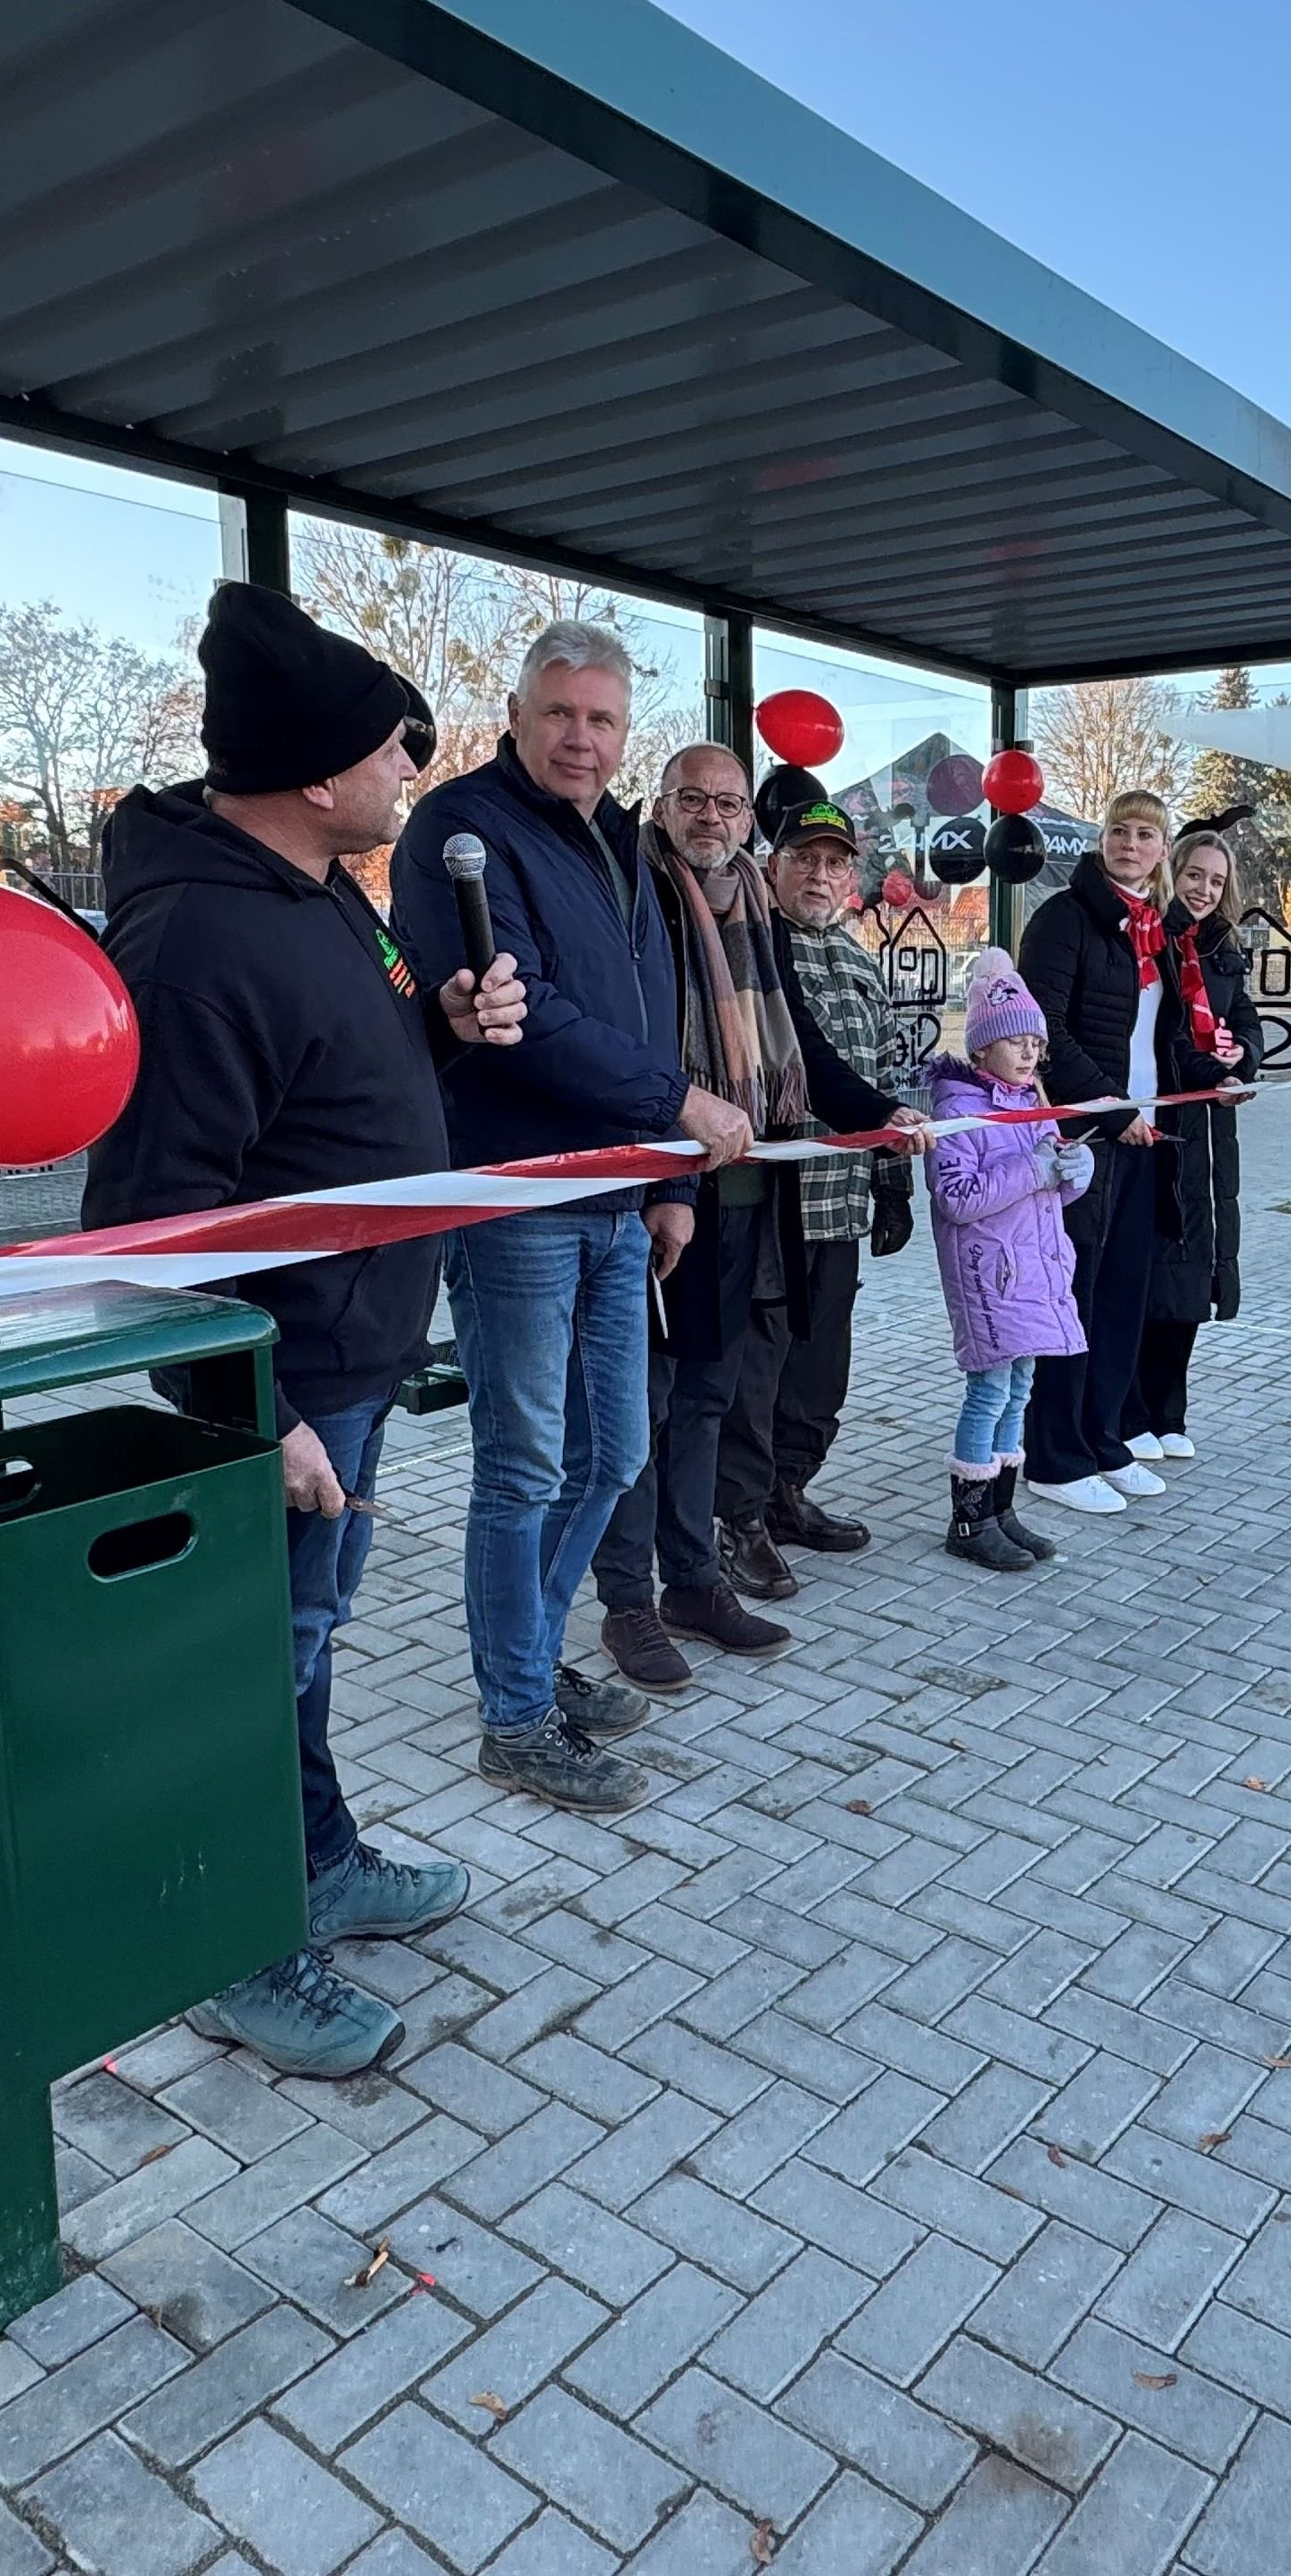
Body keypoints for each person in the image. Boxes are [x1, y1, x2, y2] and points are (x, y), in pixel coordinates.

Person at [84, 584, 527, 2075]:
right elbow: (154, 1221)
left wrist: (441, 1024)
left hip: (350, 1360)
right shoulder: (197, 938)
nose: (412, 768)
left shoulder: (324, 892)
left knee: (304, 1648)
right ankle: (236, 1944)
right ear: (317, 772)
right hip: (279, 1390)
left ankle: (319, 1861)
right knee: (248, 1665)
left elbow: (347, 1065)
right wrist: (248, 1409)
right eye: (392, 748)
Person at [390, 620, 753, 1816]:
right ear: (516, 710)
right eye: (561, 715)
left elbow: (652, 1020)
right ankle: (514, 1714)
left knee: (616, 1452)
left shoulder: (617, 840)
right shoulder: (460, 830)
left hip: (616, 1201)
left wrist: (670, 1179)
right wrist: (680, 1109)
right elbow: (520, 1014)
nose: (583, 739)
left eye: (603, 719)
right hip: (518, 1206)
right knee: (524, 1464)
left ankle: (536, 1665)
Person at [591, 750, 914, 1677]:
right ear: (662, 806)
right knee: (639, 1415)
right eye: (692, 800)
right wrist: (665, 1186)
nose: (711, 817)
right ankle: (625, 1599)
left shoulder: (749, 907)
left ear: (746, 822)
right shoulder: (638, 891)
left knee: (703, 1401)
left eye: (728, 804)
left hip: (745, 1200)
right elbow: (639, 1043)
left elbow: (799, 1048)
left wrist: (876, 1114)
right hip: (661, 1200)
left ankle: (692, 1578)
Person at [1017, 790, 1184, 1514]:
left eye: (1147, 834)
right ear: (1103, 839)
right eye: (1120, 830)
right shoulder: (1066, 917)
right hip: (1087, 1137)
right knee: (1071, 1299)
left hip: (1144, 1136)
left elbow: (1166, 1037)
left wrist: (1222, 1071)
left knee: (1121, 1298)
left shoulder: (1154, 930)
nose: (1131, 843)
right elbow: (1043, 1028)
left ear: (1162, 850)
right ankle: (1053, 1456)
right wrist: (1112, 1113)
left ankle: (1104, 1437)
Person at [760, 793, 914, 1565]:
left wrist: (892, 1184)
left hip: (841, 1204)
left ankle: (789, 1490)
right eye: (805, 860)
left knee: (822, 1374)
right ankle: (742, 1513)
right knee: (761, 1371)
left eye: (834, 863)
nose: (820, 876)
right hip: (775, 1209)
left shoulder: (859, 959)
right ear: (775, 866)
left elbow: (885, 1066)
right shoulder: (755, 948)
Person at [922, 950, 1094, 1571]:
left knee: (1020, 1389)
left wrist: (1074, 1173)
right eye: (1013, 1042)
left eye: (1034, 1044)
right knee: (989, 1392)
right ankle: (969, 1521)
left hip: (1034, 1275)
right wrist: (1034, 1167)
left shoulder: (1030, 1103)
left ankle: (1000, 1508)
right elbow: (957, 1198)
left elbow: (1047, 1187)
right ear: (980, 1051)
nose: (1027, 1055)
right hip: (990, 1280)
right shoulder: (958, 1114)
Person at [1130, 825, 1260, 1460]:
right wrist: (1219, 1073)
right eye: (1193, 876)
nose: (1205, 890)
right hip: (1164, 1125)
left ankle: (1170, 1413)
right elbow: (1168, 1037)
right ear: (1171, 873)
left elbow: (1248, 1024)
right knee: (1157, 1275)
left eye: (1216, 880)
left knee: (1195, 1279)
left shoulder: (1226, 950)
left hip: (1213, 1131)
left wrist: (1244, 1057)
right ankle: (1135, 1412)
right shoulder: (1155, 942)